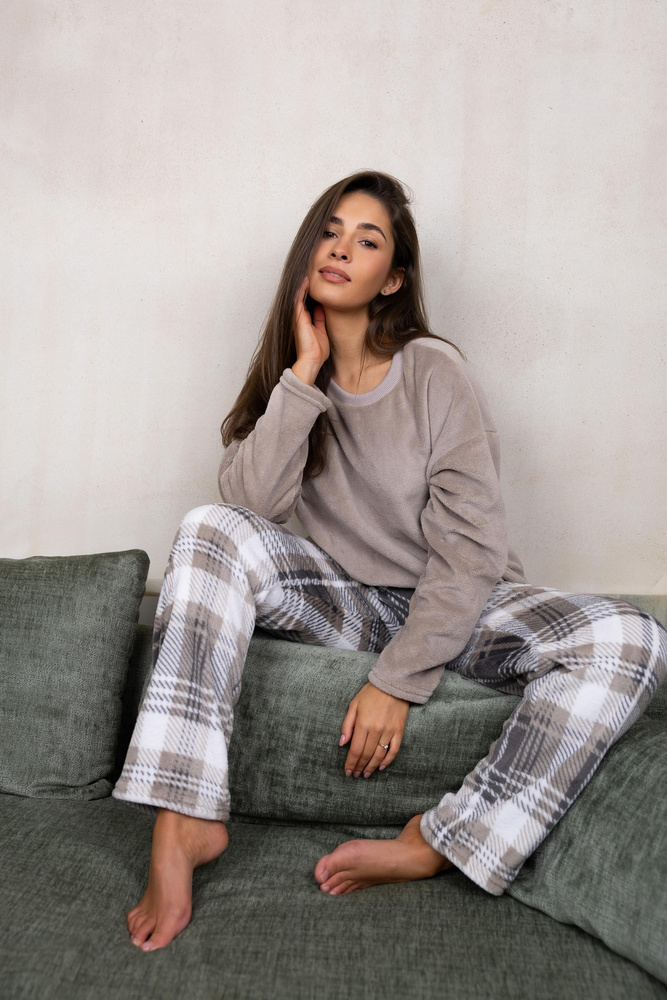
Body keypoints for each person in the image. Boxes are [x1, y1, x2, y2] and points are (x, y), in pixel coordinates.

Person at [112, 169, 667, 953]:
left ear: (393, 279)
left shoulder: (433, 370)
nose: (341, 249)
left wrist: (396, 679)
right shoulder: (292, 385)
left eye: (366, 240)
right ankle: (183, 816)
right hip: (347, 601)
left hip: (457, 603)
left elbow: (470, 552)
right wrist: (304, 373)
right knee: (208, 526)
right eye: (330, 232)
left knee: (630, 637)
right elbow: (249, 507)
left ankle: (444, 839)